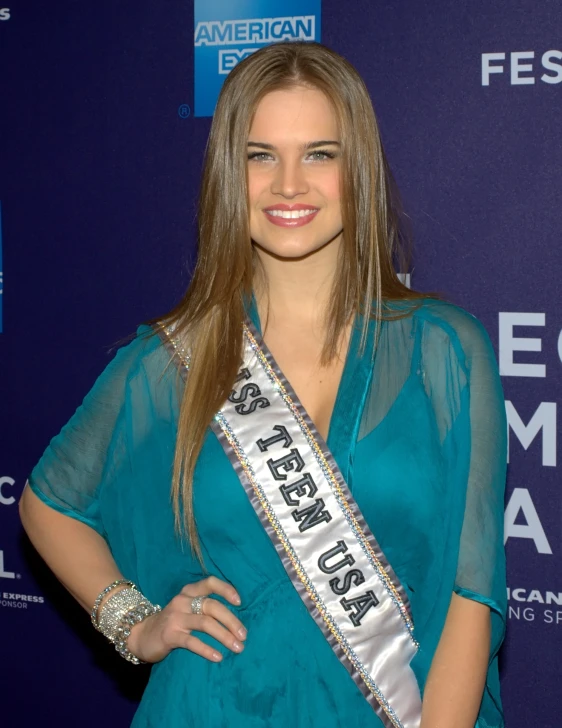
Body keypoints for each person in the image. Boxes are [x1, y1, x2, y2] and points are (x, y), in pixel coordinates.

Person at [19, 41, 507, 728]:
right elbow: (49, 504)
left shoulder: (447, 349)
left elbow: (470, 592)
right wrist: (135, 623)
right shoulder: (170, 359)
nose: (288, 185)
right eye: (260, 156)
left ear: (357, 167)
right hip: (208, 707)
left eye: (319, 153)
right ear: (229, 172)